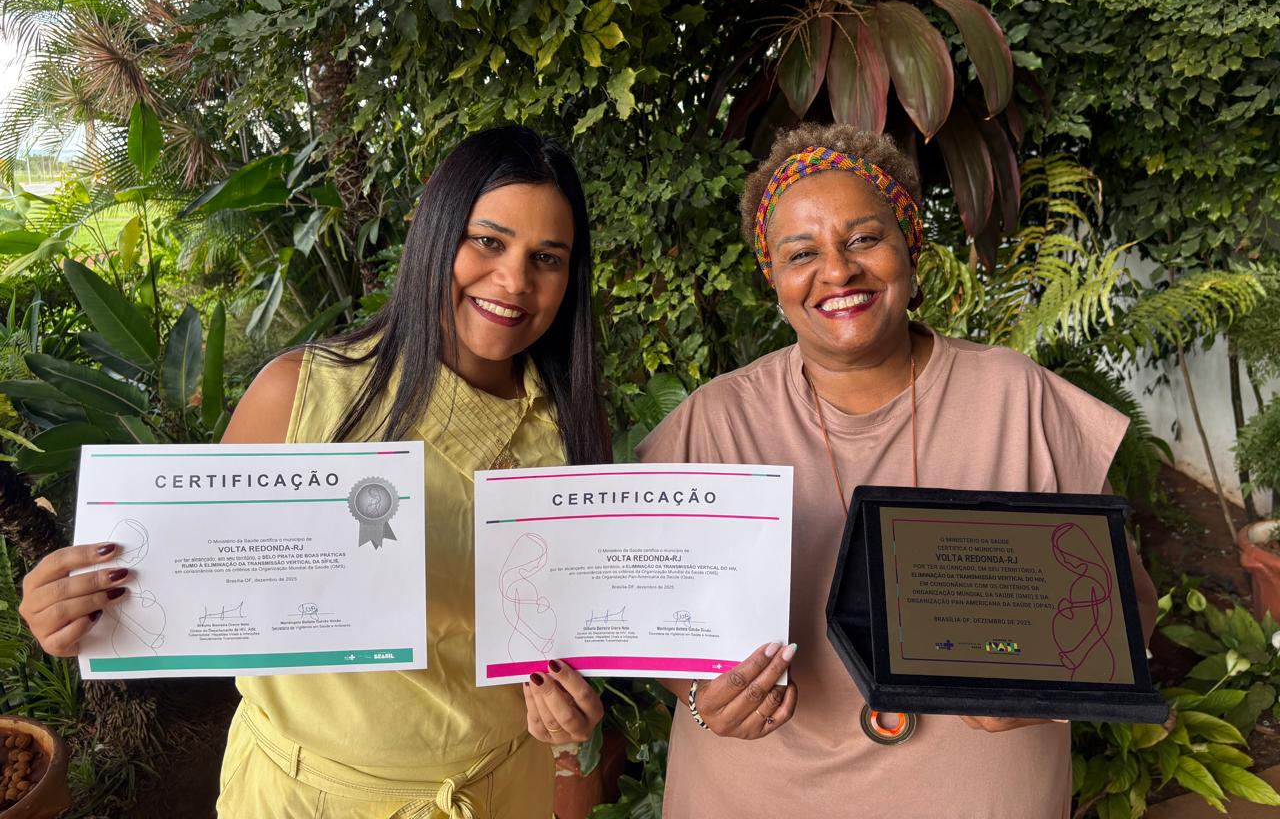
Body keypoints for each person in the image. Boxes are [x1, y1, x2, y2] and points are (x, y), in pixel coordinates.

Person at [19, 126, 609, 818]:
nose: (514, 280)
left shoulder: (565, 430)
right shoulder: (302, 395)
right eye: (487, 241)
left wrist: (568, 720)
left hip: (503, 792)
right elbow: (182, 580)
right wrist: (76, 608)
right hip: (307, 797)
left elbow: (555, 635)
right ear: (434, 235)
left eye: (547, 257)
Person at [639, 123, 1159, 818]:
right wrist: (702, 700)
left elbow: (1127, 605)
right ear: (773, 278)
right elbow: (646, 626)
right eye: (802, 253)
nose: (837, 271)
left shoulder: (1016, 398)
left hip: (974, 794)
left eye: (863, 239)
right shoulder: (715, 421)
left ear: (910, 247)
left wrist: (1049, 687)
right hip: (759, 793)